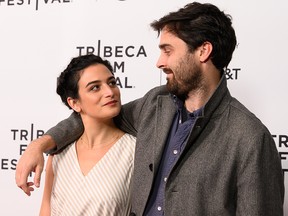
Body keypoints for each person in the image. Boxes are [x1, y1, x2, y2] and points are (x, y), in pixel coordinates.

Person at [16, 2, 284, 216]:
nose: (159, 62)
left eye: (168, 50)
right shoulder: (155, 103)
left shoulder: (249, 137)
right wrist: (40, 144)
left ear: (203, 51)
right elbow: (93, 115)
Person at [38, 54, 136, 215]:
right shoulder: (58, 154)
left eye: (112, 83)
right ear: (74, 103)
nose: (110, 92)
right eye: (95, 87)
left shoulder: (135, 151)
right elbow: (45, 210)